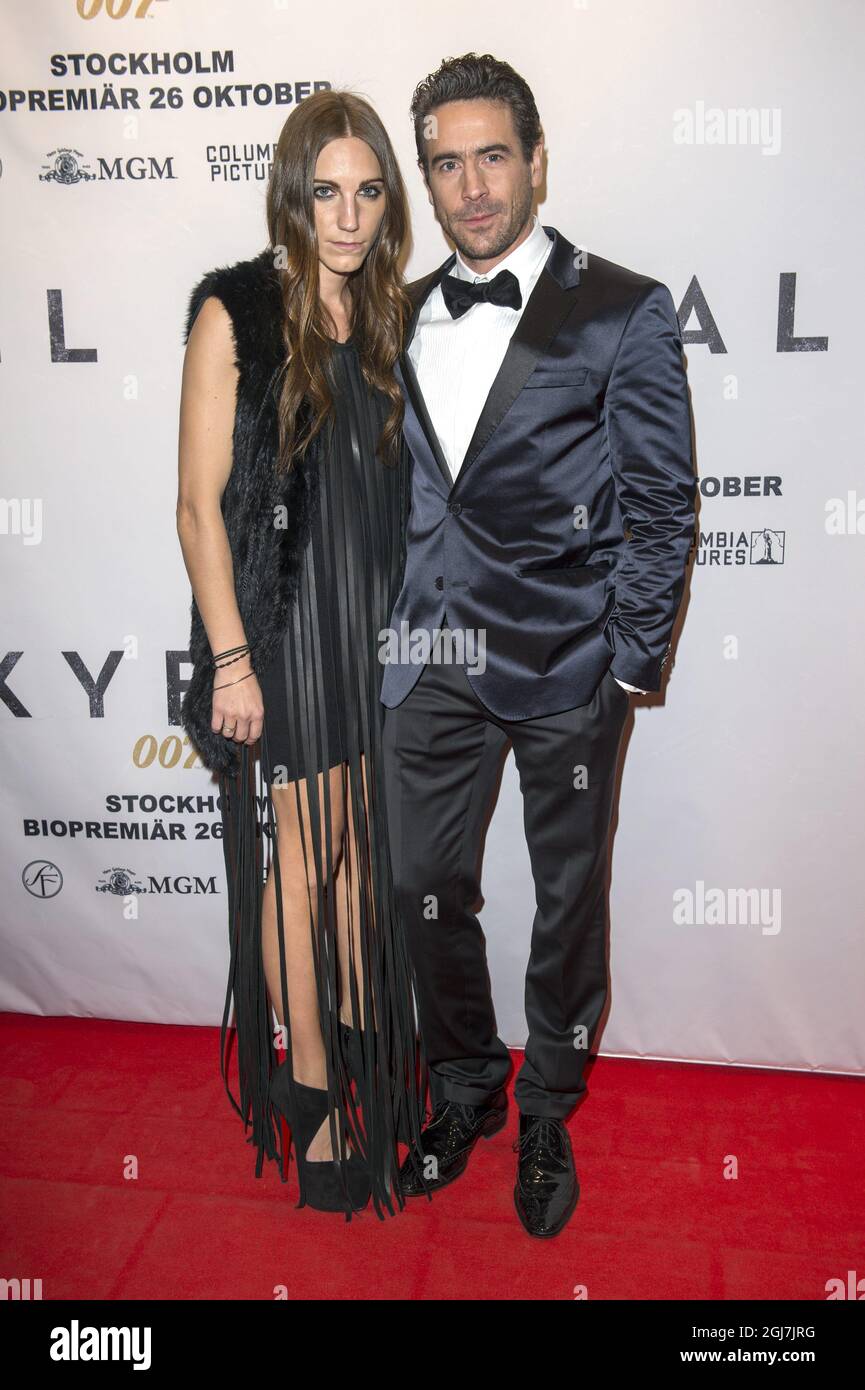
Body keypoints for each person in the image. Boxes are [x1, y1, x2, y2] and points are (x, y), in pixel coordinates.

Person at [380, 54, 696, 1237]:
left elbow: (665, 499)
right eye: (447, 163)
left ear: (536, 160)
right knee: (420, 888)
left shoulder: (619, 306)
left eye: (492, 156)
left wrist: (627, 659)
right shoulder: (396, 310)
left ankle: (551, 1106)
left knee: (567, 900)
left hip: (567, 666)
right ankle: (466, 1083)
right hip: (427, 663)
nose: (471, 187)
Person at [176, 90, 427, 1220]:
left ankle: (374, 1063)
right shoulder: (236, 309)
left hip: (374, 634)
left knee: (358, 854)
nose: (348, 213)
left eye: (368, 190)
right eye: (326, 190)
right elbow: (194, 507)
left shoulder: (381, 319)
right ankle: (314, 1094)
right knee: (304, 860)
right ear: (291, 191)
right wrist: (233, 662)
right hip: (285, 636)